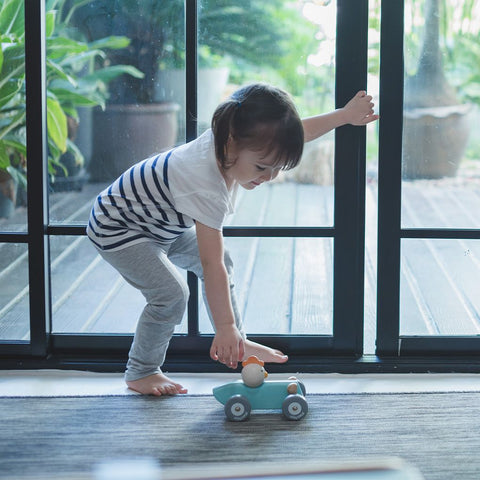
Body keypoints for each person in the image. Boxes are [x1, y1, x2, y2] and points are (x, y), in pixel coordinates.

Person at [87, 83, 378, 396]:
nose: (269, 177)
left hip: (161, 223)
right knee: (171, 294)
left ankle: (237, 339)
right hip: (119, 227)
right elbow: (211, 266)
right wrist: (222, 328)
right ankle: (141, 370)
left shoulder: (229, 137)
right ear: (230, 143)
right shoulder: (204, 182)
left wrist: (344, 116)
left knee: (223, 261)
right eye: (262, 167)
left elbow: (295, 133)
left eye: (277, 168)